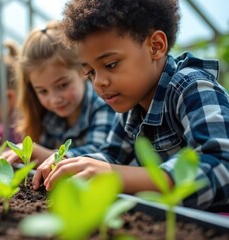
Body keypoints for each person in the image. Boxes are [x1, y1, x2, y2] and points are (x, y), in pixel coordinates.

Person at [33, 0, 229, 211]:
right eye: (90, 72)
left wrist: (117, 176)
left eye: (110, 65)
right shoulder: (132, 107)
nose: (99, 82)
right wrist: (71, 161)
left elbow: (222, 166)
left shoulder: (191, 87)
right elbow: (110, 155)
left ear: (155, 46)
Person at [2, 21, 116, 167]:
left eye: (63, 85)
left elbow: (100, 157)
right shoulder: (49, 118)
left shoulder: (103, 106)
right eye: (43, 91)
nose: (55, 99)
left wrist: (41, 154)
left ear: (83, 70)